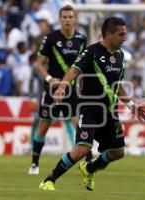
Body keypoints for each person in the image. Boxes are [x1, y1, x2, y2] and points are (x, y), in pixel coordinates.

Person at [39, 16, 145, 191]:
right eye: (121, 35)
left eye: (125, 34)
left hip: (110, 112)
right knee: (82, 150)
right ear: (109, 34)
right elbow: (74, 70)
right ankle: (49, 180)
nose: (125, 38)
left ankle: (89, 168)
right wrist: (63, 86)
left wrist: (132, 105)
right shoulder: (92, 52)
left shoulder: (120, 56)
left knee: (118, 152)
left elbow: (117, 86)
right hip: (89, 109)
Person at [28, 5, 89, 175]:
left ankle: (89, 161)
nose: (68, 20)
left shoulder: (81, 39)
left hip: (71, 89)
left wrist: (84, 87)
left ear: (75, 19)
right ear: (59, 19)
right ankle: (34, 163)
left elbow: (84, 66)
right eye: (65, 17)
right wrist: (49, 79)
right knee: (44, 126)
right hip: (52, 90)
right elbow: (39, 63)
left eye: (70, 17)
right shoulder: (50, 38)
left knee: (79, 124)